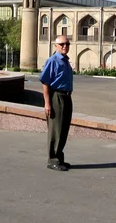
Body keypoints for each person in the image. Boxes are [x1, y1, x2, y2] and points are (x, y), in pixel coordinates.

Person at [39, 36, 74, 172]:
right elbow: (45, 83)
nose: (65, 46)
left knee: (63, 129)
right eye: (62, 44)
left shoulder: (65, 61)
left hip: (66, 97)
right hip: (56, 97)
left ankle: (59, 158)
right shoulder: (52, 61)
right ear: (56, 46)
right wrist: (47, 103)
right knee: (56, 130)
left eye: (67, 44)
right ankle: (52, 160)